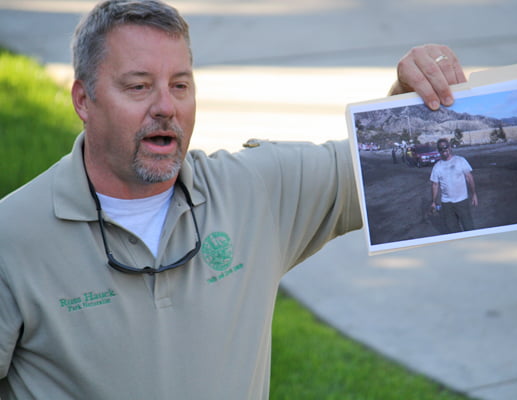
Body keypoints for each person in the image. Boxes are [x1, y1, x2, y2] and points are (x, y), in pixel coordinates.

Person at [0, 1, 466, 399]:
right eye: (139, 86)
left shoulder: (255, 190)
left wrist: (410, 98)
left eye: (180, 85)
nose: (166, 106)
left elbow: (365, 173)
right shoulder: (13, 238)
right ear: (84, 99)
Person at [430, 137, 478, 233]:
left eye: (445, 147)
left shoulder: (460, 160)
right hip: (447, 203)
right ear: (438, 151)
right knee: (453, 230)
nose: (444, 150)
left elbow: (469, 178)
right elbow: (435, 185)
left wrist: (474, 194)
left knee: (469, 227)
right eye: (441, 149)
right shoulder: (437, 166)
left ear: (450, 147)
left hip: (462, 201)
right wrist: (434, 202)